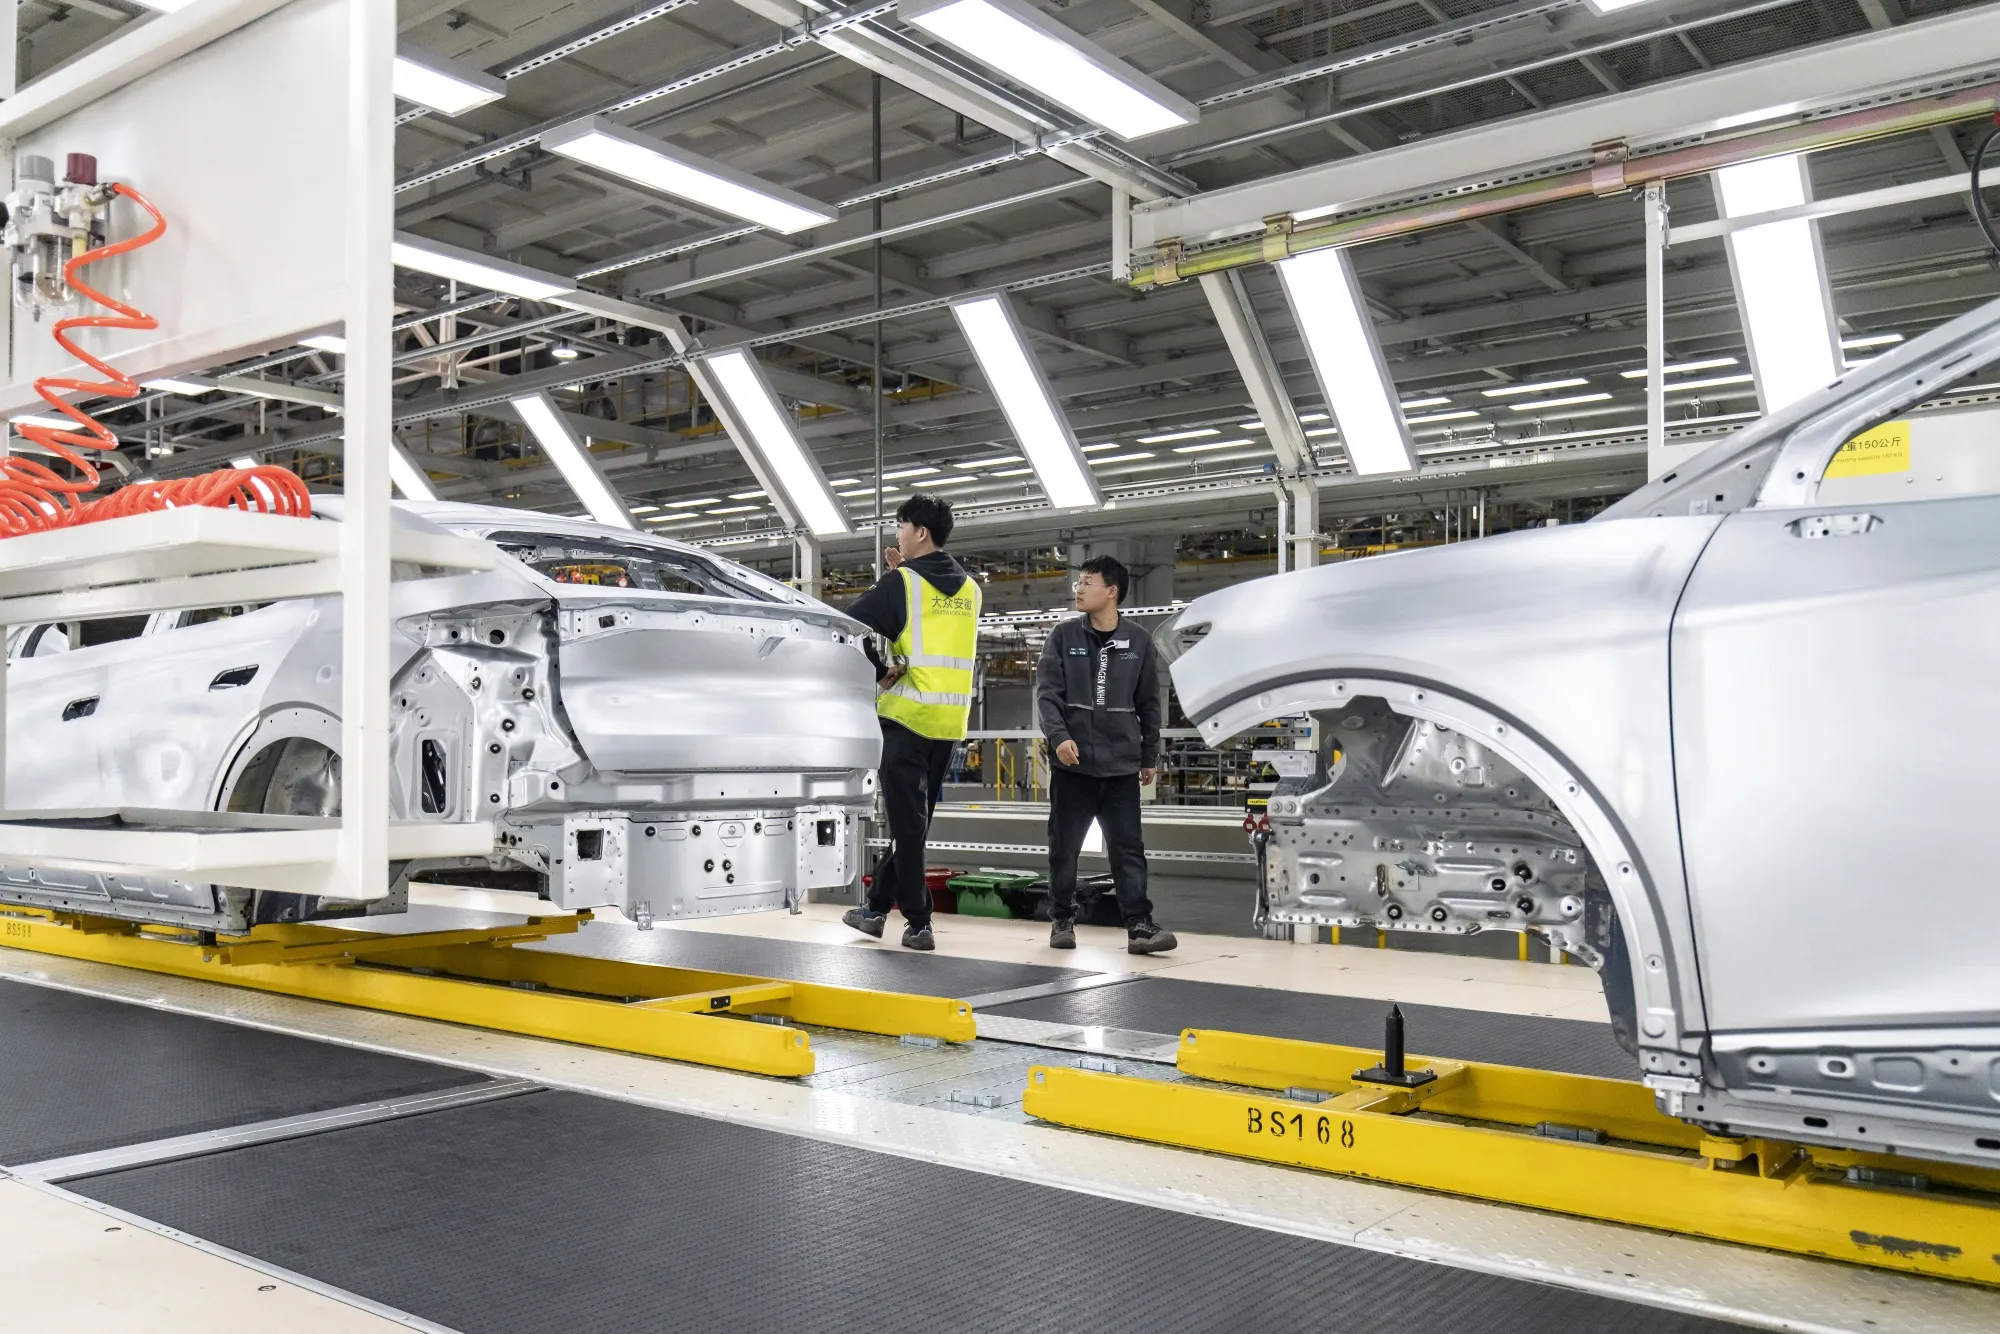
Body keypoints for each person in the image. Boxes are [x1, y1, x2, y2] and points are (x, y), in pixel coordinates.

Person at [840, 493, 981, 951]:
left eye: (901, 525)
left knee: (906, 827)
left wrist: (879, 673)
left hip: (904, 719)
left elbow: (846, 627)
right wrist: (902, 574)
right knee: (914, 827)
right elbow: (933, 610)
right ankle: (877, 908)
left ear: (920, 533)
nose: (896, 533)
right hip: (949, 723)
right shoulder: (972, 590)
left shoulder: (903, 583)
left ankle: (919, 922)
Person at [1035, 555, 1176, 955]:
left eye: (1087, 583)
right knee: (1064, 847)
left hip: (1120, 767)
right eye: (1078, 582)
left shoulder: (1138, 641)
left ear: (1111, 592)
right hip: (1073, 766)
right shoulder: (1063, 637)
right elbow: (1048, 696)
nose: (1078, 589)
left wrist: (1150, 755)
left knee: (1128, 848)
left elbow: (1149, 701)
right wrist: (1059, 737)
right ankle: (1062, 918)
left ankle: (1139, 927)